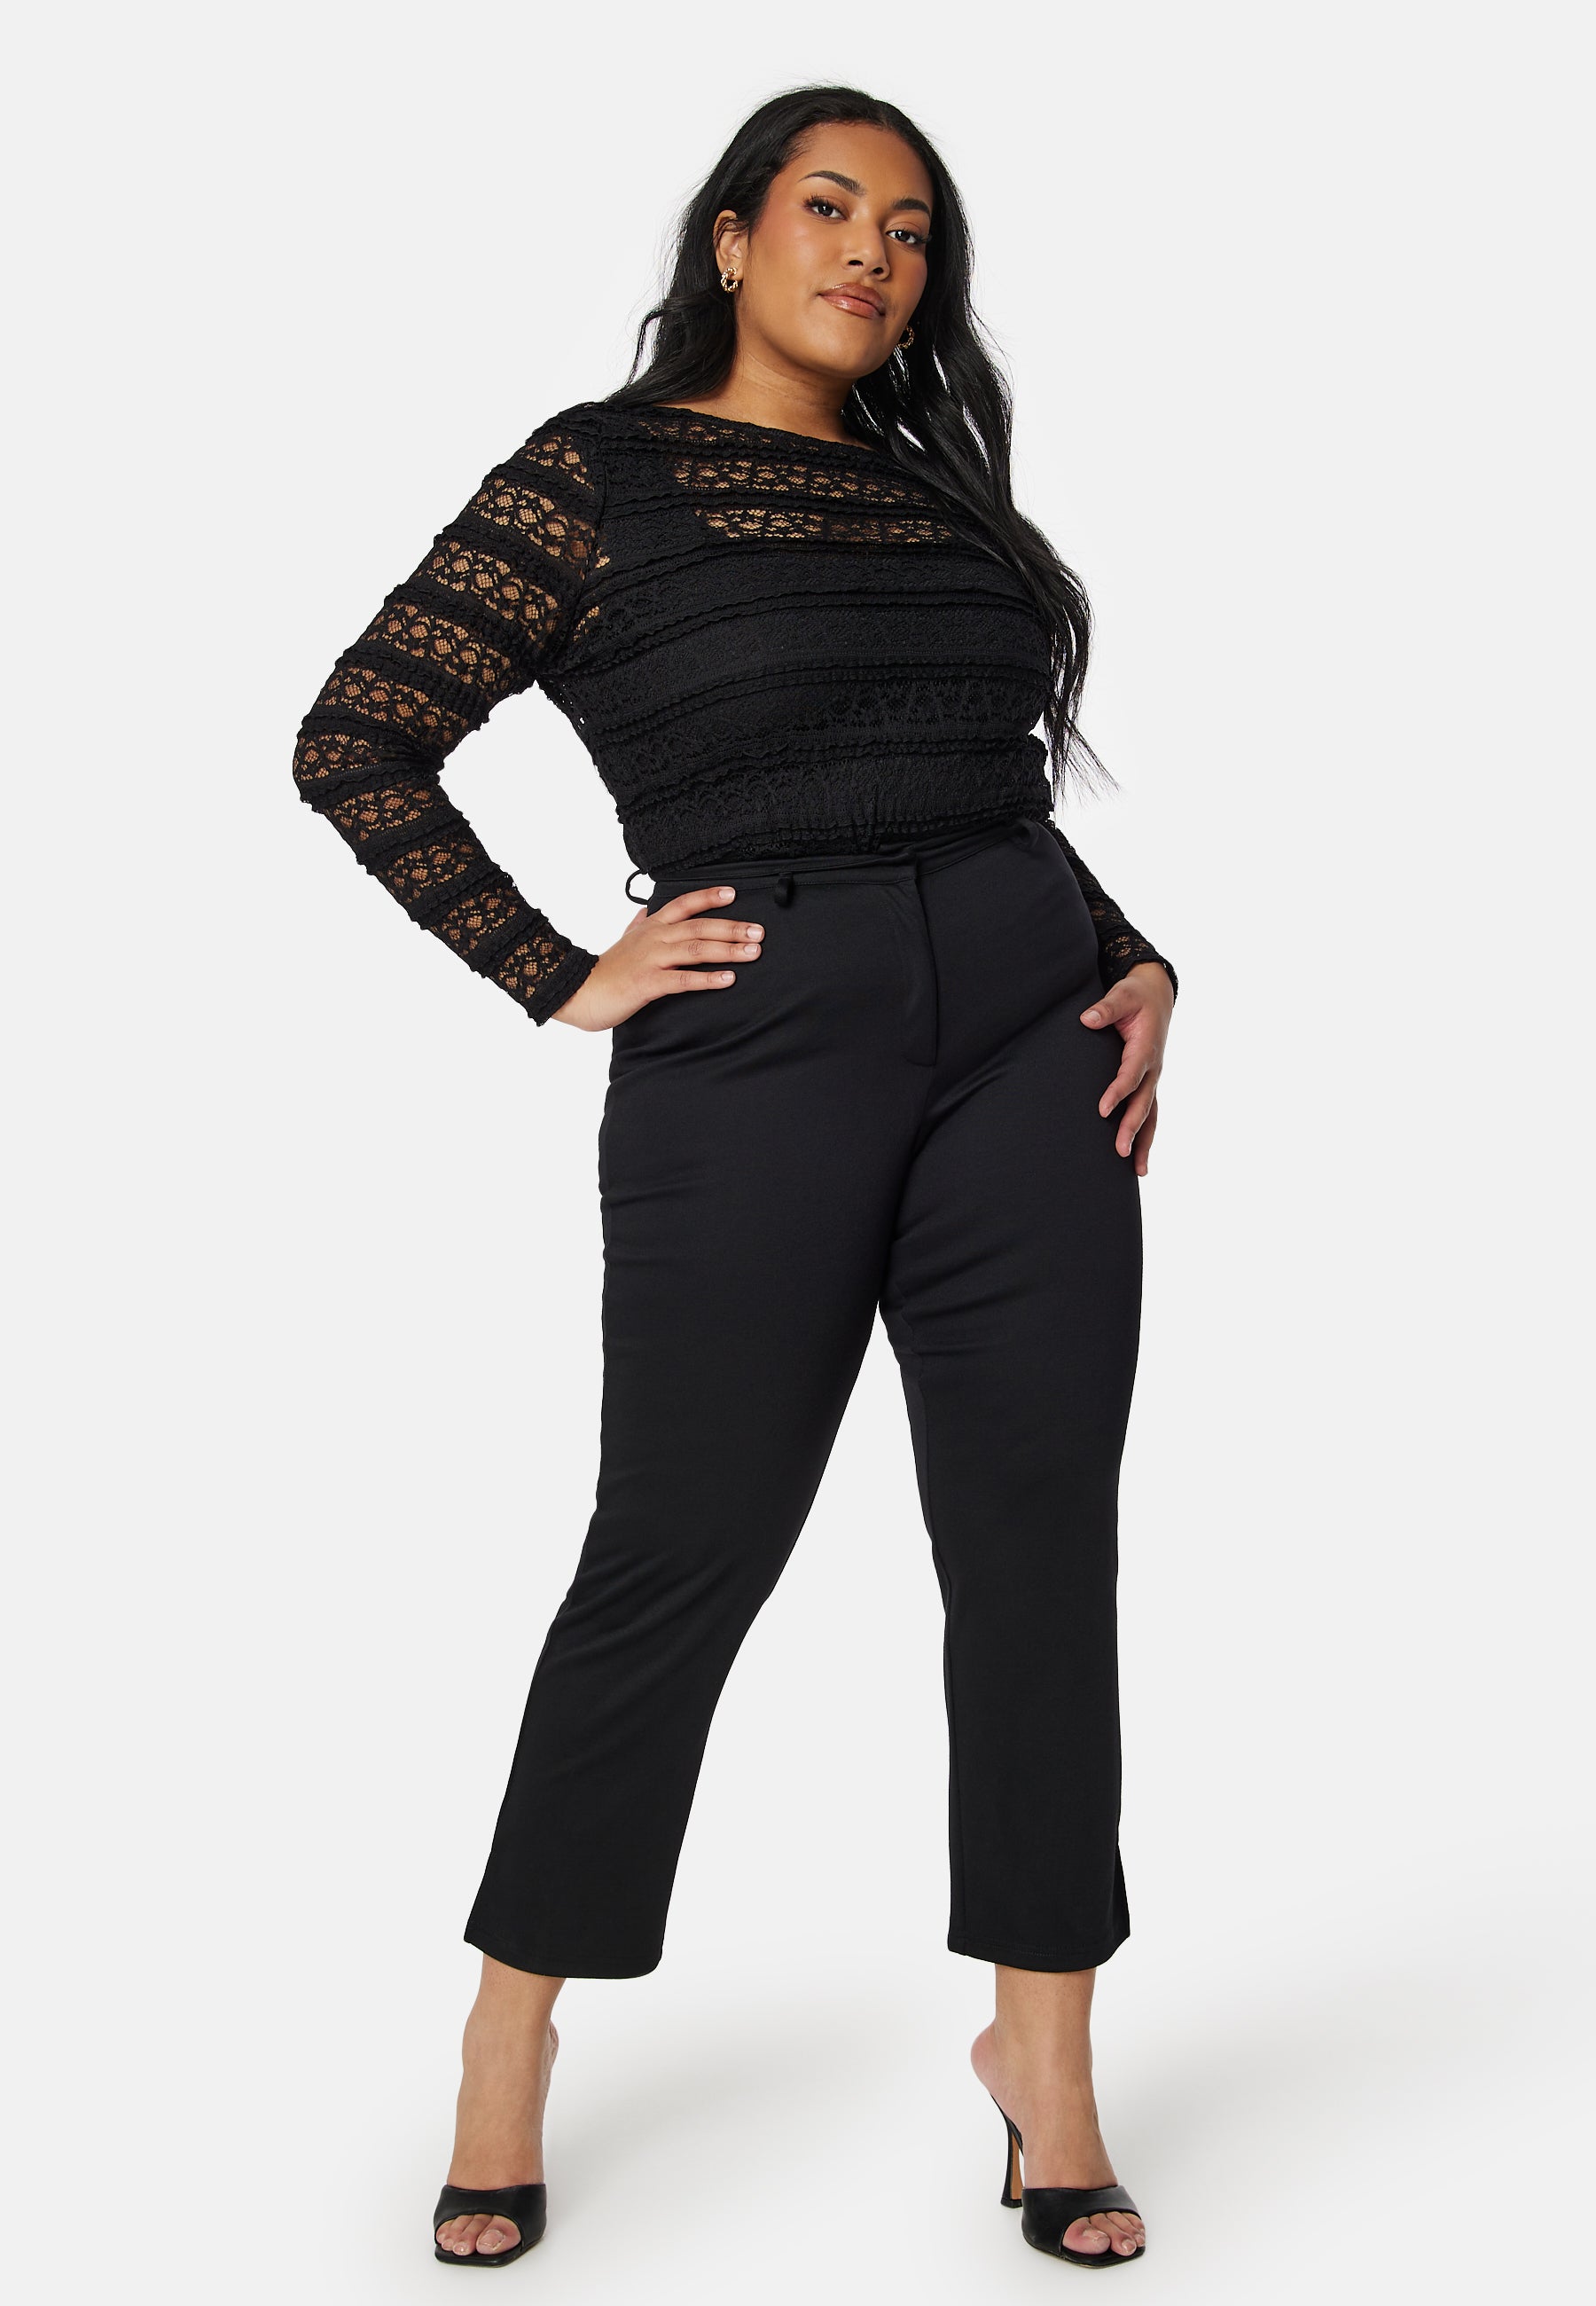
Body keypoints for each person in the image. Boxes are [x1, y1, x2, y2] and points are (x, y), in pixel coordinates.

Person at [293, 83, 1176, 2272]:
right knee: (679, 1547)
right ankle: (510, 2038)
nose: (873, 253)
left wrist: (1130, 946)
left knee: (1040, 1554)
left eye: (911, 229)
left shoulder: (930, 490)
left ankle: (1045, 2062)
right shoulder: (592, 481)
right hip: (760, 1051)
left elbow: (977, 782)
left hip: (1031, 1051)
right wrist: (556, 970)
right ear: (731, 238)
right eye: (829, 208)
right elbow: (355, 737)